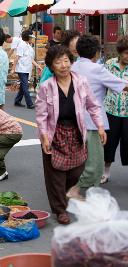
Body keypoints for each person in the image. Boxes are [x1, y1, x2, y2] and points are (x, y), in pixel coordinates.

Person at [35, 45, 106, 224]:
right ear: (52, 66)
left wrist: (100, 126)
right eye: (58, 62)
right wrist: (44, 136)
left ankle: (65, 194)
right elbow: (42, 114)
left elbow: (93, 105)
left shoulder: (81, 81)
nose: (64, 65)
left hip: (75, 131)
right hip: (54, 133)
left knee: (76, 170)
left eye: (66, 60)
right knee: (55, 175)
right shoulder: (46, 87)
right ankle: (60, 210)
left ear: (71, 62)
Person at [66, 36, 128, 198]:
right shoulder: (98, 69)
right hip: (93, 122)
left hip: (72, 120)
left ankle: (84, 191)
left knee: (77, 158)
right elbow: (122, 86)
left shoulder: (72, 67)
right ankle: (76, 189)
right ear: (95, 52)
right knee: (95, 164)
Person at [102, 36, 128, 183]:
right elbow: (101, 84)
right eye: (126, 53)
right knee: (110, 142)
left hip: (127, 113)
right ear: (120, 52)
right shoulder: (110, 65)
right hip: (111, 110)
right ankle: (106, 171)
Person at [12, 30, 42, 109]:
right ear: (28, 37)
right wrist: (13, 68)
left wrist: (37, 66)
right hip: (21, 69)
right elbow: (17, 57)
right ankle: (30, 104)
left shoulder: (29, 46)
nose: (32, 39)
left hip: (27, 69)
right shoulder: (21, 45)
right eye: (31, 37)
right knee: (25, 86)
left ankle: (17, 101)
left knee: (23, 86)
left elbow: (31, 59)